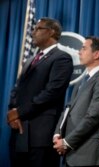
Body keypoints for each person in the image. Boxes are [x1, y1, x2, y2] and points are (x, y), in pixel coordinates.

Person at [7, 17, 73, 167]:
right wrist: (12, 113)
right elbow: (17, 89)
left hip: (40, 135)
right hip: (19, 131)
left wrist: (20, 112)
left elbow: (51, 92)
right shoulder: (30, 60)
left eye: (38, 29)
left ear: (52, 32)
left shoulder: (61, 58)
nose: (33, 32)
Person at [53, 36, 99, 167]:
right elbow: (68, 109)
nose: (79, 52)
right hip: (71, 153)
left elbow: (93, 116)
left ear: (96, 54)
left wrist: (67, 142)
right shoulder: (84, 79)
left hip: (86, 153)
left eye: (84, 48)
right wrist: (58, 133)